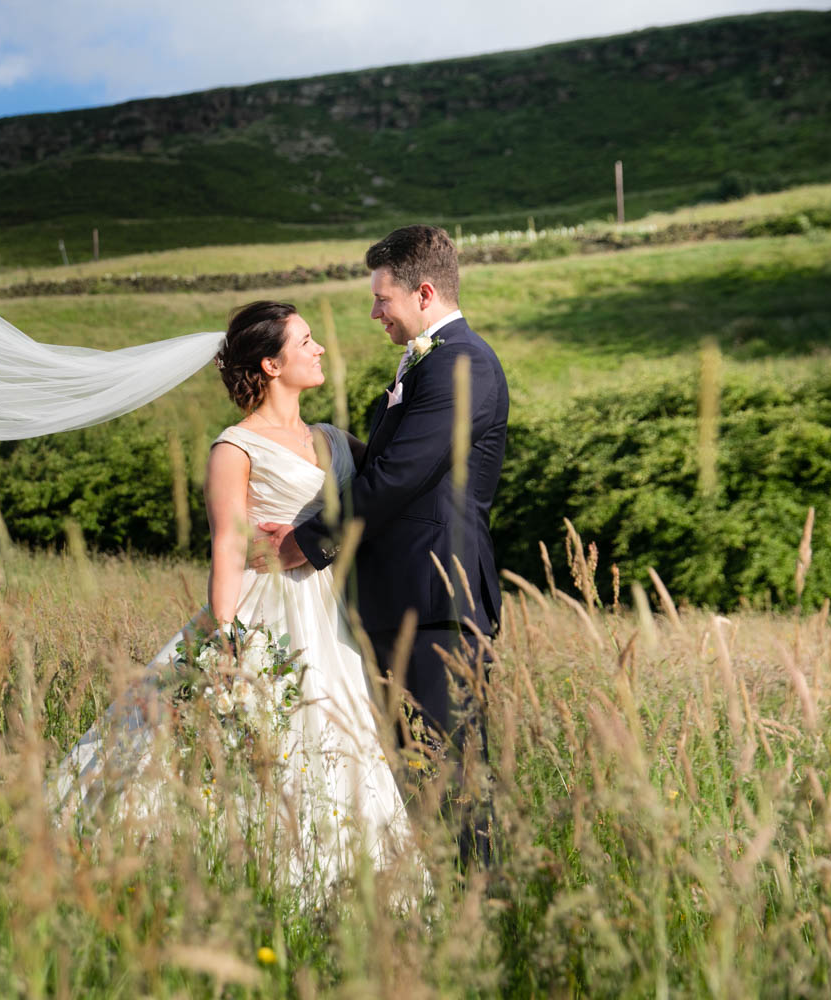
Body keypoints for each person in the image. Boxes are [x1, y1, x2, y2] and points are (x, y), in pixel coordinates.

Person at [51, 300, 414, 884]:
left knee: (344, 753)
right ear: (271, 365)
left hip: (332, 618)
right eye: (306, 341)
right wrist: (231, 649)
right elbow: (226, 553)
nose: (319, 348)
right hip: (263, 615)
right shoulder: (234, 449)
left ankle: (354, 884)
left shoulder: (333, 439)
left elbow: (386, 494)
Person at [258, 225, 508, 868]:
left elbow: (400, 478)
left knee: (451, 779)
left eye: (382, 300)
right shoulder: (434, 360)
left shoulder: (462, 362)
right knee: (413, 779)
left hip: (436, 600)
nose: (375, 314)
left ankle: (479, 915)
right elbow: (405, 463)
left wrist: (307, 543)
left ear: (424, 293)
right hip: (402, 601)